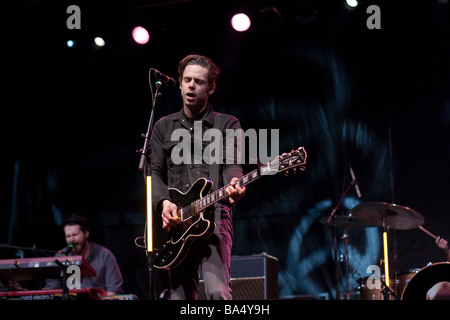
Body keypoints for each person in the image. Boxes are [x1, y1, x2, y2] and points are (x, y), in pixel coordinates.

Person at [150, 54, 246, 300]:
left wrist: (235, 182)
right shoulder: (163, 126)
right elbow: (154, 172)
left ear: (211, 87)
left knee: (217, 292)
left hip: (213, 217)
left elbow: (231, 164)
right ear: (180, 83)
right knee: (179, 297)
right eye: (187, 80)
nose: (191, 85)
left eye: (199, 82)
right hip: (176, 224)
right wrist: (163, 202)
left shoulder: (227, 124)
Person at [45, 212, 124, 296]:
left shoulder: (105, 255)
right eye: (68, 236)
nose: (72, 240)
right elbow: (52, 288)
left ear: (86, 233)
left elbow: (114, 288)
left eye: (75, 235)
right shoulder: (60, 256)